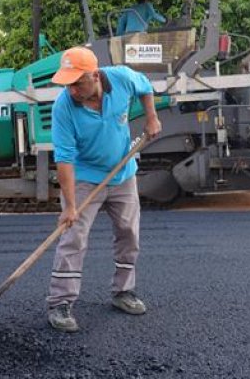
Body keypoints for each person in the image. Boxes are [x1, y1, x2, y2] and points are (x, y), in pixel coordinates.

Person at [46, 46, 162, 332]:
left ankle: (123, 291)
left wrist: (151, 118)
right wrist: (71, 206)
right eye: (68, 84)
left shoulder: (121, 78)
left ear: (95, 75)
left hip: (122, 175)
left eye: (77, 83)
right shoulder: (63, 107)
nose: (72, 90)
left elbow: (146, 87)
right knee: (73, 237)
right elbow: (64, 159)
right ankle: (60, 303)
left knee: (128, 234)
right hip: (85, 179)